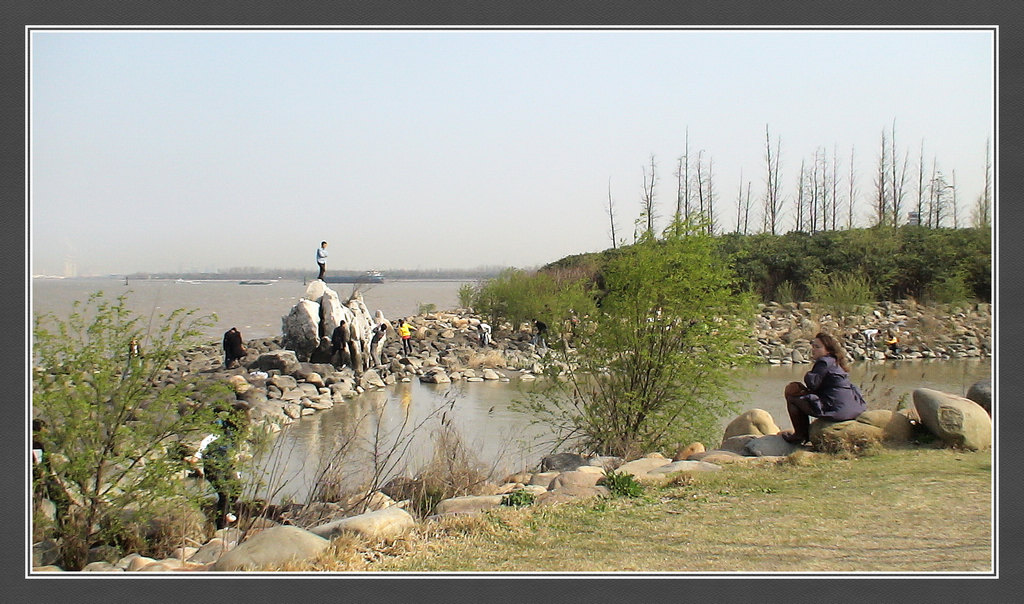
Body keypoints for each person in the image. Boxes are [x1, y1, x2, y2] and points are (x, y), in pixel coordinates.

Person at [779, 332, 867, 445]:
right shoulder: (835, 361)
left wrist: (808, 374)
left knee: (792, 399)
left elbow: (812, 383)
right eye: (813, 346)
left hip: (837, 410)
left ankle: (800, 435)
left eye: (817, 347)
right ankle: (804, 434)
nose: (813, 349)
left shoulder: (824, 361)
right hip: (852, 408)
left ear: (828, 350)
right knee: (797, 389)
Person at [187, 401, 249, 529]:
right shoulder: (222, 426)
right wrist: (197, 456)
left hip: (226, 463)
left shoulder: (239, 431)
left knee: (237, 489)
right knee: (224, 493)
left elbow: (234, 451)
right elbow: (208, 440)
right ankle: (221, 526)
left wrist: (236, 471)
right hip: (213, 463)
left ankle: (228, 512)